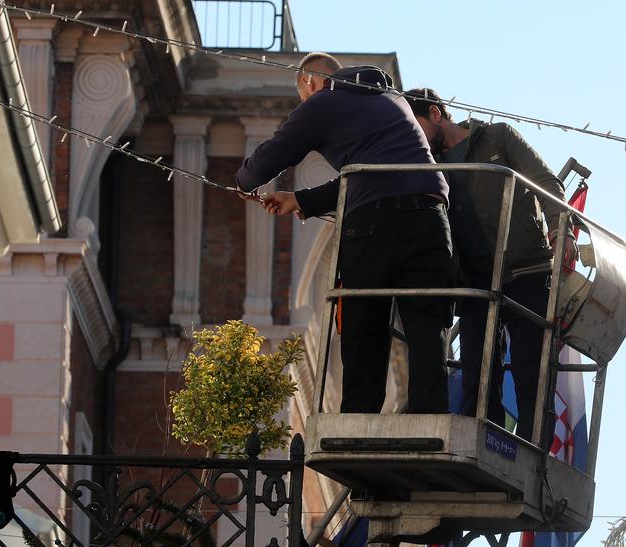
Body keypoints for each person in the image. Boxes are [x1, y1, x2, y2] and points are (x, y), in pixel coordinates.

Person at [238, 53, 454, 414]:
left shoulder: (324, 100)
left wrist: (244, 181)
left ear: (309, 82)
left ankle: (357, 423)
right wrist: (299, 200)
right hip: (431, 218)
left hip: (375, 225)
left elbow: (272, 155)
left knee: (363, 325)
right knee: (427, 326)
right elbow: (365, 176)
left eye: (304, 97)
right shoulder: (391, 100)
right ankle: (429, 420)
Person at [405, 88, 564, 445]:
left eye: (415, 124)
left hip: (527, 271)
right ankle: (484, 450)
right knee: (477, 376)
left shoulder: (498, 137)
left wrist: (559, 227)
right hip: (475, 284)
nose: (414, 135)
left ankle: (533, 457)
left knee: (531, 376)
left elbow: (545, 181)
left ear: (434, 113)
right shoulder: (425, 164)